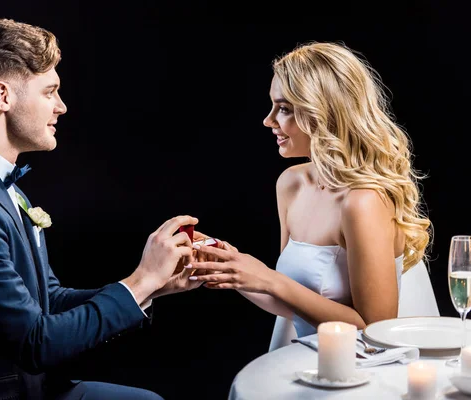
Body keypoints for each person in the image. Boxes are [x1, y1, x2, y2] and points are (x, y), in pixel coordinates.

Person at [0, 17, 202, 400]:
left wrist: (154, 285)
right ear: (3, 96)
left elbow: (46, 302)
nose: (61, 107)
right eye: (50, 91)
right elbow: (36, 344)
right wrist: (140, 281)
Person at [186, 41, 433, 348]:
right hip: (312, 361)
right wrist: (233, 266)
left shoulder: (363, 202)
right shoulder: (291, 184)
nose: (268, 120)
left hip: (363, 372)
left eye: (284, 109)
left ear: (326, 113)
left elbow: (375, 330)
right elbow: (291, 306)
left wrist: (268, 278)